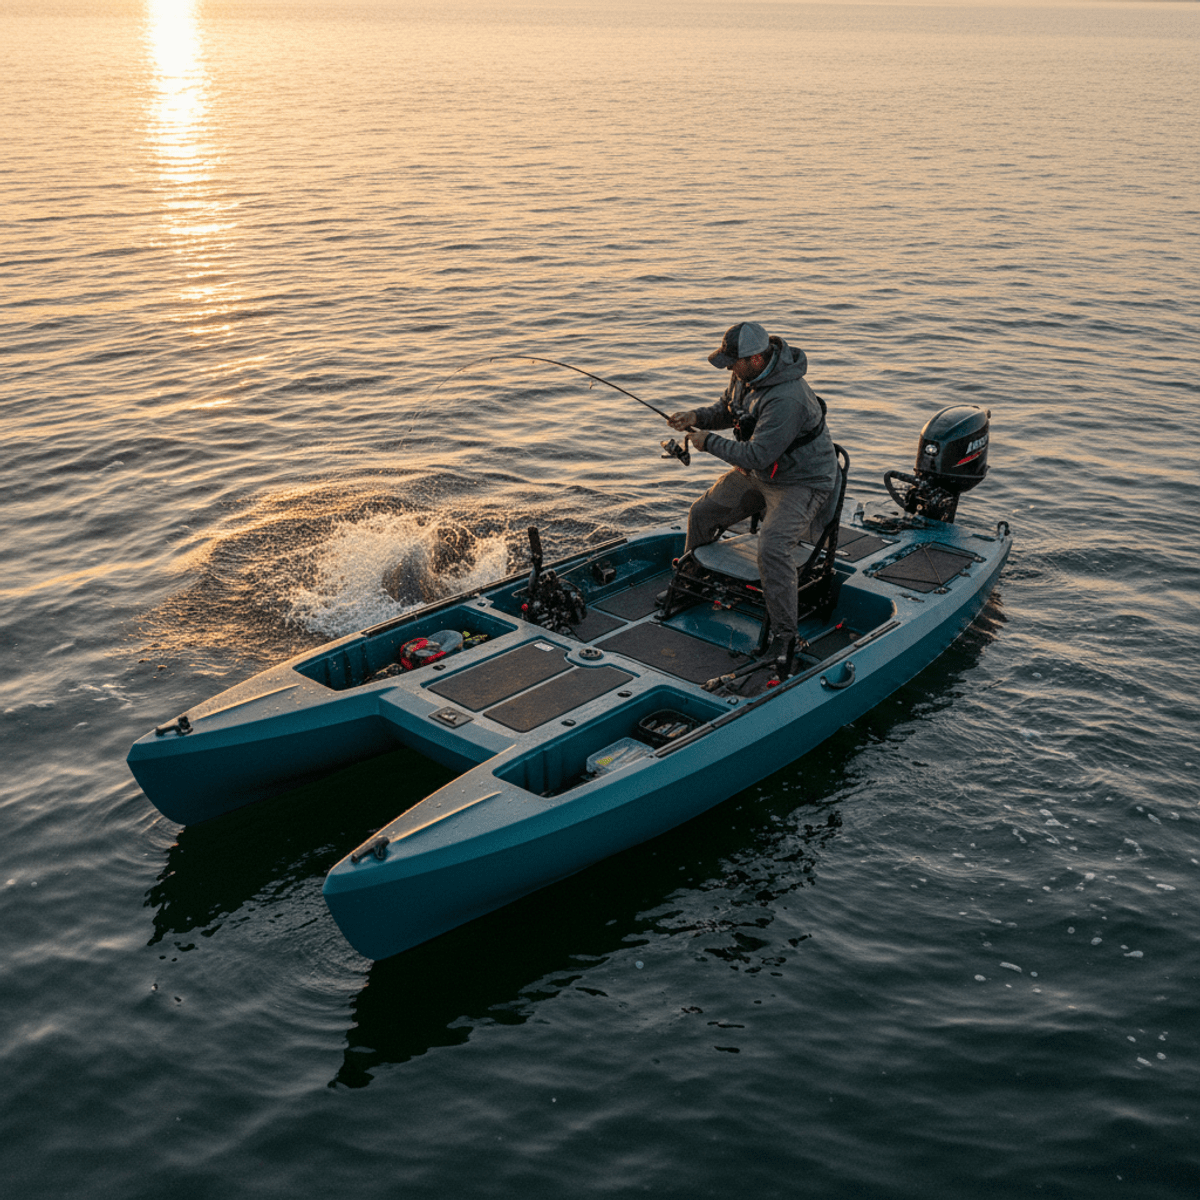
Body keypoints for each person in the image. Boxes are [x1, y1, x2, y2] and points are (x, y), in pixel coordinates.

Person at [666, 321, 839, 673]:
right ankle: (692, 582)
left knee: (772, 548)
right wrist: (695, 417)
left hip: (802, 483)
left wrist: (707, 442)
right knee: (702, 512)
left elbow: (757, 455)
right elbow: (727, 409)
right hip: (760, 476)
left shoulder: (787, 398)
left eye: (734, 362)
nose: (729, 368)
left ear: (757, 358)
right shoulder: (746, 377)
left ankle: (785, 636)